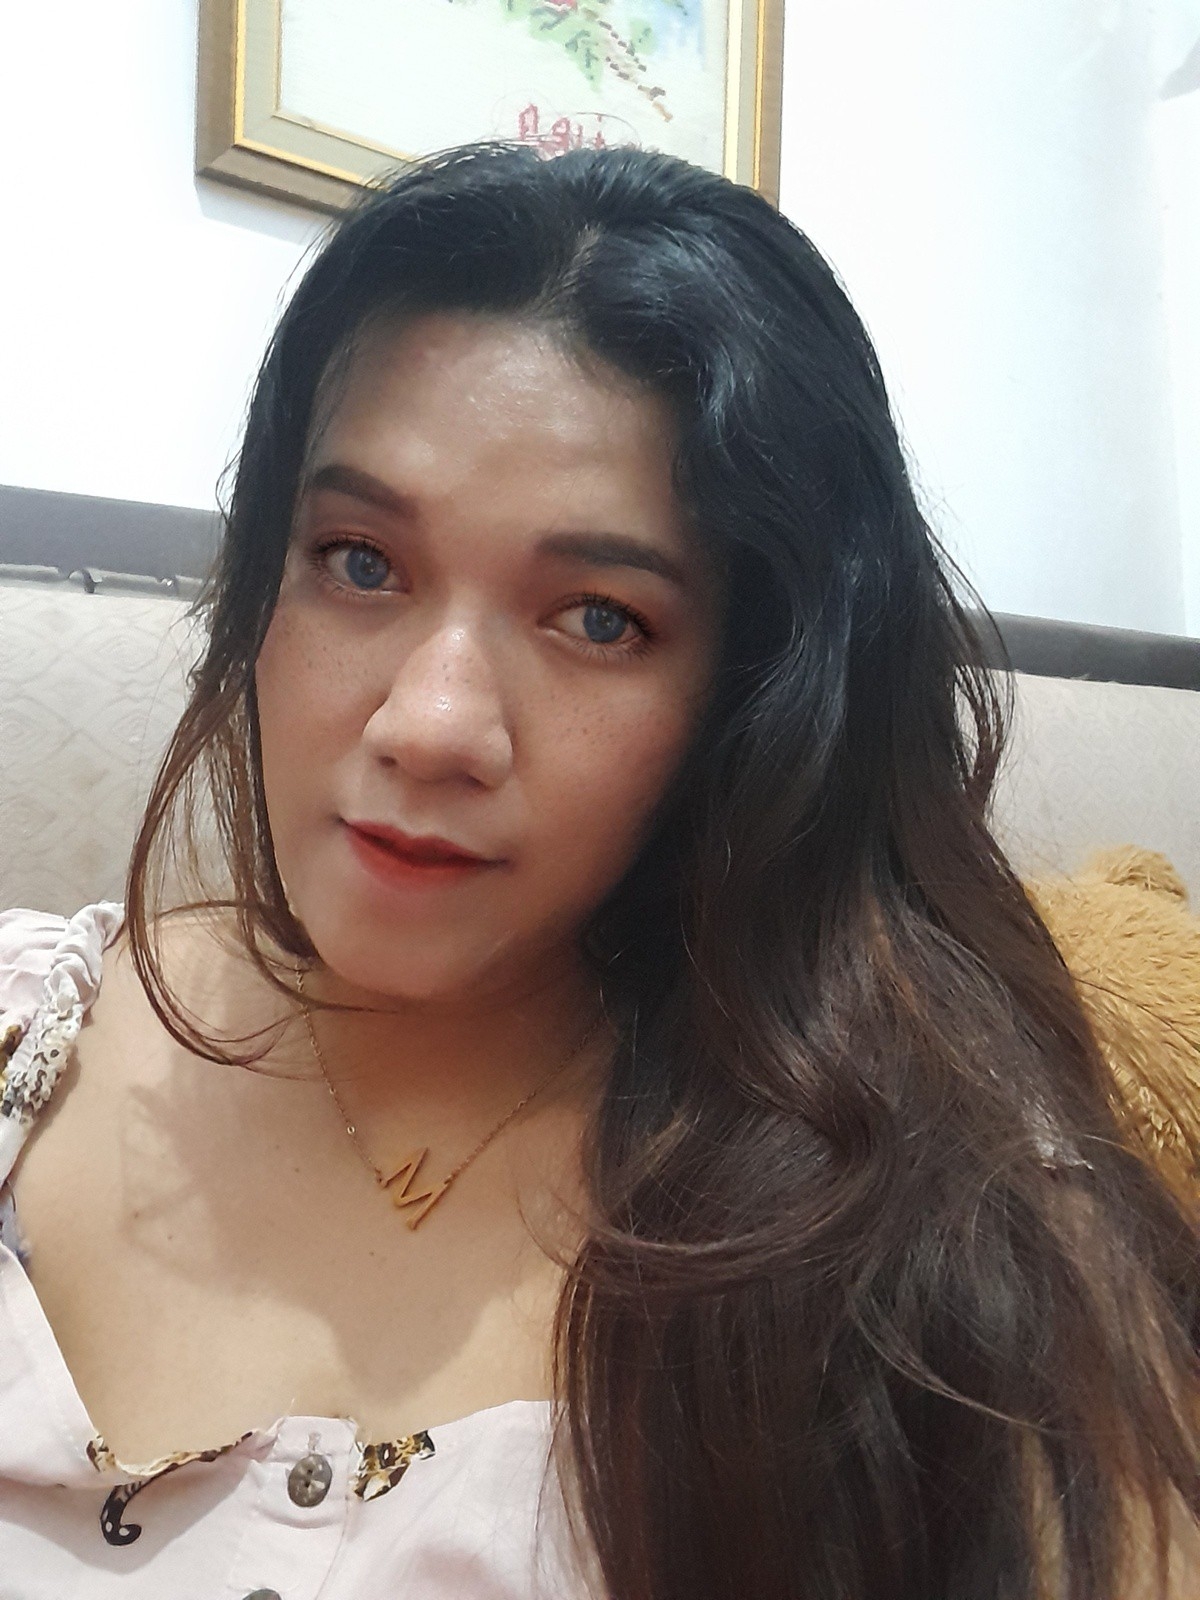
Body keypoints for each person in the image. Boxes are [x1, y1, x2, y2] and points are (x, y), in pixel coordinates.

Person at [0, 142, 1196, 1599]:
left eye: (599, 620)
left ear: (748, 698)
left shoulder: (931, 1254)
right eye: (360, 561)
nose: (432, 723)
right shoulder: (27, 1031)